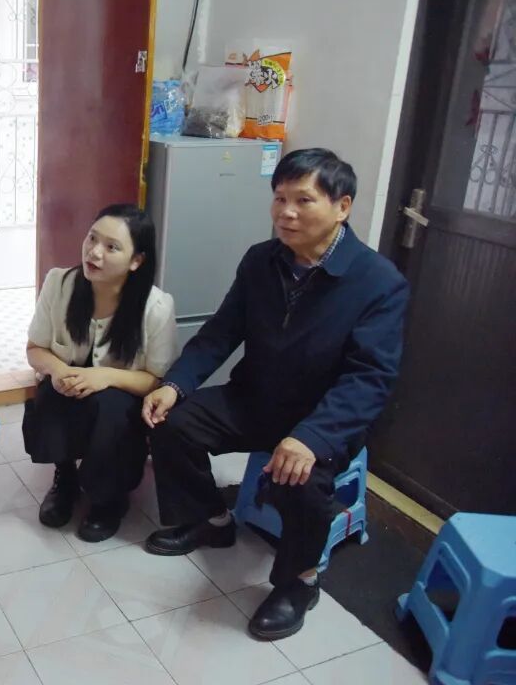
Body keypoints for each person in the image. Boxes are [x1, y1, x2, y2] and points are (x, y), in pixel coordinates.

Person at [141, 148, 409, 640]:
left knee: (301, 481)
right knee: (171, 422)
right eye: (279, 198)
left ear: (342, 207)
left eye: (303, 200)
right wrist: (176, 385)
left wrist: (311, 437)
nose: (286, 212)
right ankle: (212, 519)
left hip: (321, 419)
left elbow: (369, 377)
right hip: (256, 398)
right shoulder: (262, 260)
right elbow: (222, 331)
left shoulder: (378, 282)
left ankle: (299, 582)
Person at [24, 204, 176, 541]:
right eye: (92, 238)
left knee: (111, 410)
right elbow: (35, 349)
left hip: (121, 398)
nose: (94, 252)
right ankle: (65, 478)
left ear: (136, 261)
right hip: (69, 386)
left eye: (112, 247)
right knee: (50, 393)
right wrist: (59, 370)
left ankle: (109, 499)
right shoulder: (59, 283)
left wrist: (104, 376)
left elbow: (157, 379)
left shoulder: (156, 307)